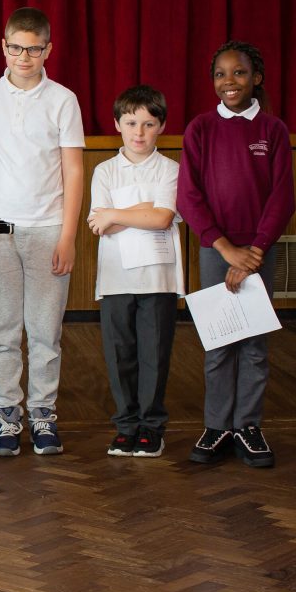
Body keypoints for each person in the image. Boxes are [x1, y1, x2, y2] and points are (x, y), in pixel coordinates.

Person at [0, 8, 84, 457]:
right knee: (1, 330)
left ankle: (43, 414)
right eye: (16, 48)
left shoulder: (63, 100)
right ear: (4, 47)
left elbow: (74, 170)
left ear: (48, 50)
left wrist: (68, 236)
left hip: (48, 227)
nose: (24, 57)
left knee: (44, 330)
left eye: (34, 49)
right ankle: (7, 415)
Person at [178, 41, 295, 468]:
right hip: (217, 250)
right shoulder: (200, 129)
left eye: (239, 72)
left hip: (260, 252)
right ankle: (217, 426)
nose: (229, 81)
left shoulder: (273, 130)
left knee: (255, 344)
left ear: (256, 78)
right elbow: (188, 196)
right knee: (220, 341)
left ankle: (247, 425)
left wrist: (256, 251)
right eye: (221, 74)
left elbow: (282, 198)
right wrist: (226, 249)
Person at [88, 86, 184, 458]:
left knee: (154, 354)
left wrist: (117, 213)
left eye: (148, 124)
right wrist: (143, 210)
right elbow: (99, 225)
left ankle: (151, 427)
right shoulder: (105, 171)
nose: (139, 133)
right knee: (120, 355)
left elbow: (162, 219)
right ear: (117, 124)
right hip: (115, 278)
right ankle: (126, 426)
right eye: (131, 123)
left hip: (158, 278)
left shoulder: (171, 170)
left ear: (162, 126)